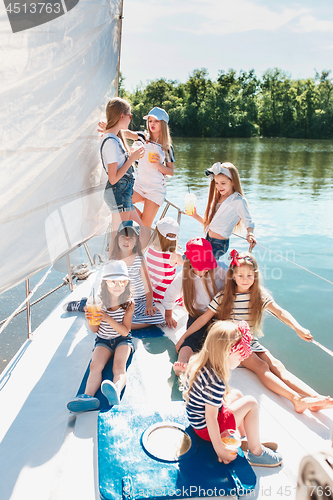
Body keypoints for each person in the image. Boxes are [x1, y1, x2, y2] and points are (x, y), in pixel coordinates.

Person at [179, 250, 333, 413]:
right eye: (240, 276)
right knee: (261, 366)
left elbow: (280, 312)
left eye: (249, 276)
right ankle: (297, 399)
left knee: (277, 366)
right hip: (230, 342)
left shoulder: (258, 295)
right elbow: (203, 319)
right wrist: (184, 337)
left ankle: (316, 398)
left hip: (248, 340)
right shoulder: (224, 296)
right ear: (233, 276)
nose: (245, 280)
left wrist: (298, 328)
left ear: (255, 276)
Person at [182, 319, 283, 467]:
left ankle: (241, 438)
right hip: (205, 429)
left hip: (197, 420)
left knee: (237, 395)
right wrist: (220, 450)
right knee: (251, 403)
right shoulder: (215, 381)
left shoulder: (200, 362)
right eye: (239, 355)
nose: (242, 358)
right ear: (225, 353)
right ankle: (256, 452)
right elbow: (211, 419)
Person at [67, 261, 134, 412]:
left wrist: (108, 318)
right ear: (105, 283)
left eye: (122, 281)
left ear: (127, 283)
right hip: (103, 340)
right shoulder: (98, 302)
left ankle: (116, 389)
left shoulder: (129, 303)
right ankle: (87, 396)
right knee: (95, 365)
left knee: (119, 366)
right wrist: (89, 319)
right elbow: (94, 330)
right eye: (113, 282)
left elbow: (125, 331)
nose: (118, 286)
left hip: (123, 340)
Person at [99, 106, 175, 228]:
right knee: (122, 202)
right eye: (150, 121)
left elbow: (171, 171)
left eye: (156, 121)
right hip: (139, 185)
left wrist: (159, 165)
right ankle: (135, 230)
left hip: (155, 189)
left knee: (145, 224)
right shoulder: (143, 137)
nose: (152, 124)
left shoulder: (167, 147)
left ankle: (141, 240)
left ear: (163, 124)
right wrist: (109, 129)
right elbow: (126, 133)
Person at [166, 237, 227, 376]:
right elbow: (170, 294)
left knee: (213, 341)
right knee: (190, 340)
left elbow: (238, 280)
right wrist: (168, 315)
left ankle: (205, 369)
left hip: (217, 315)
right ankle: (182, 362)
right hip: (197, 315)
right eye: (202, 265)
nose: (207, 268)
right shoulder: (184, 276)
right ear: (191, 263)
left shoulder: (221, 269)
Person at [187, 162, 256, 259]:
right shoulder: (217, 198)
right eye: (216, 183)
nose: (219, 187)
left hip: (219, 244)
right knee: (190, 258)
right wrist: (195, 216)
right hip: (208, 239)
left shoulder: (238, 201)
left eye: (223, 183)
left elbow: (248, 221)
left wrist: (250, 233)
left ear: (233, 181)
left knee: (199, 262)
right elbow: (211, 224)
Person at [100, 97, 144, 238]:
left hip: (122, 194)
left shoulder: (115, 139)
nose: (131, 119)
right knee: (126, 238)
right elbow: (113, 178)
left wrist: (130, 157)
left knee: (137, 234)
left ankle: (119, 259)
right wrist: (131, 159)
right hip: (118, 192)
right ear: (121, 116)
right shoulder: (111, 142)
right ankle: (119, 259)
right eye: (130, 115)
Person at [110, 220, 165, 329]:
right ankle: (122, 324)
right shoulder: (114, 259)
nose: (127, 241)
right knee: (109, 310)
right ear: (117, 239)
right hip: (121, 298)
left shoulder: (139, 259)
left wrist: (149, 304)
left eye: (131, 238)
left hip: (140, 300)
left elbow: (147, 283)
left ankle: (120, 326)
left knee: (156, 317)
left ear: (136, 241)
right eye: (123, 237)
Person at [146, 216, 183, 303]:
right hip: (164, 296)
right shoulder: (173, 256)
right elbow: (186, 261)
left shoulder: (150, 247)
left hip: (152, 293)